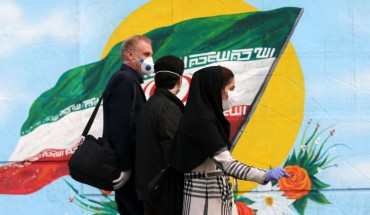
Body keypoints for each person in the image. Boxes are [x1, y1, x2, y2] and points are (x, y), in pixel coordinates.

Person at [168, 66, 290, 215]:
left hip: (212, 196)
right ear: (215, 90)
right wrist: (264, 175)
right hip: (206, 201)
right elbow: (228, 164)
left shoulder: (202, 118)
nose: (232, 95)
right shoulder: (201, 122)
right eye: (230, 89)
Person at [102, 35, 154, 215]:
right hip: (128, 172)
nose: (150, 59)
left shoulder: (127, 79)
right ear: (130, 55)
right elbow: (121, 126)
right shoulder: (124, 80)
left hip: (129, 169)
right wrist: (125, 167)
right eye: (146, 54)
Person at [135, 55, 185, 215]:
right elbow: (173, 154)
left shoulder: (149, 105)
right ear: (179, 81)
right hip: (165, 192)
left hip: (149, 188)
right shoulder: (169, 108)